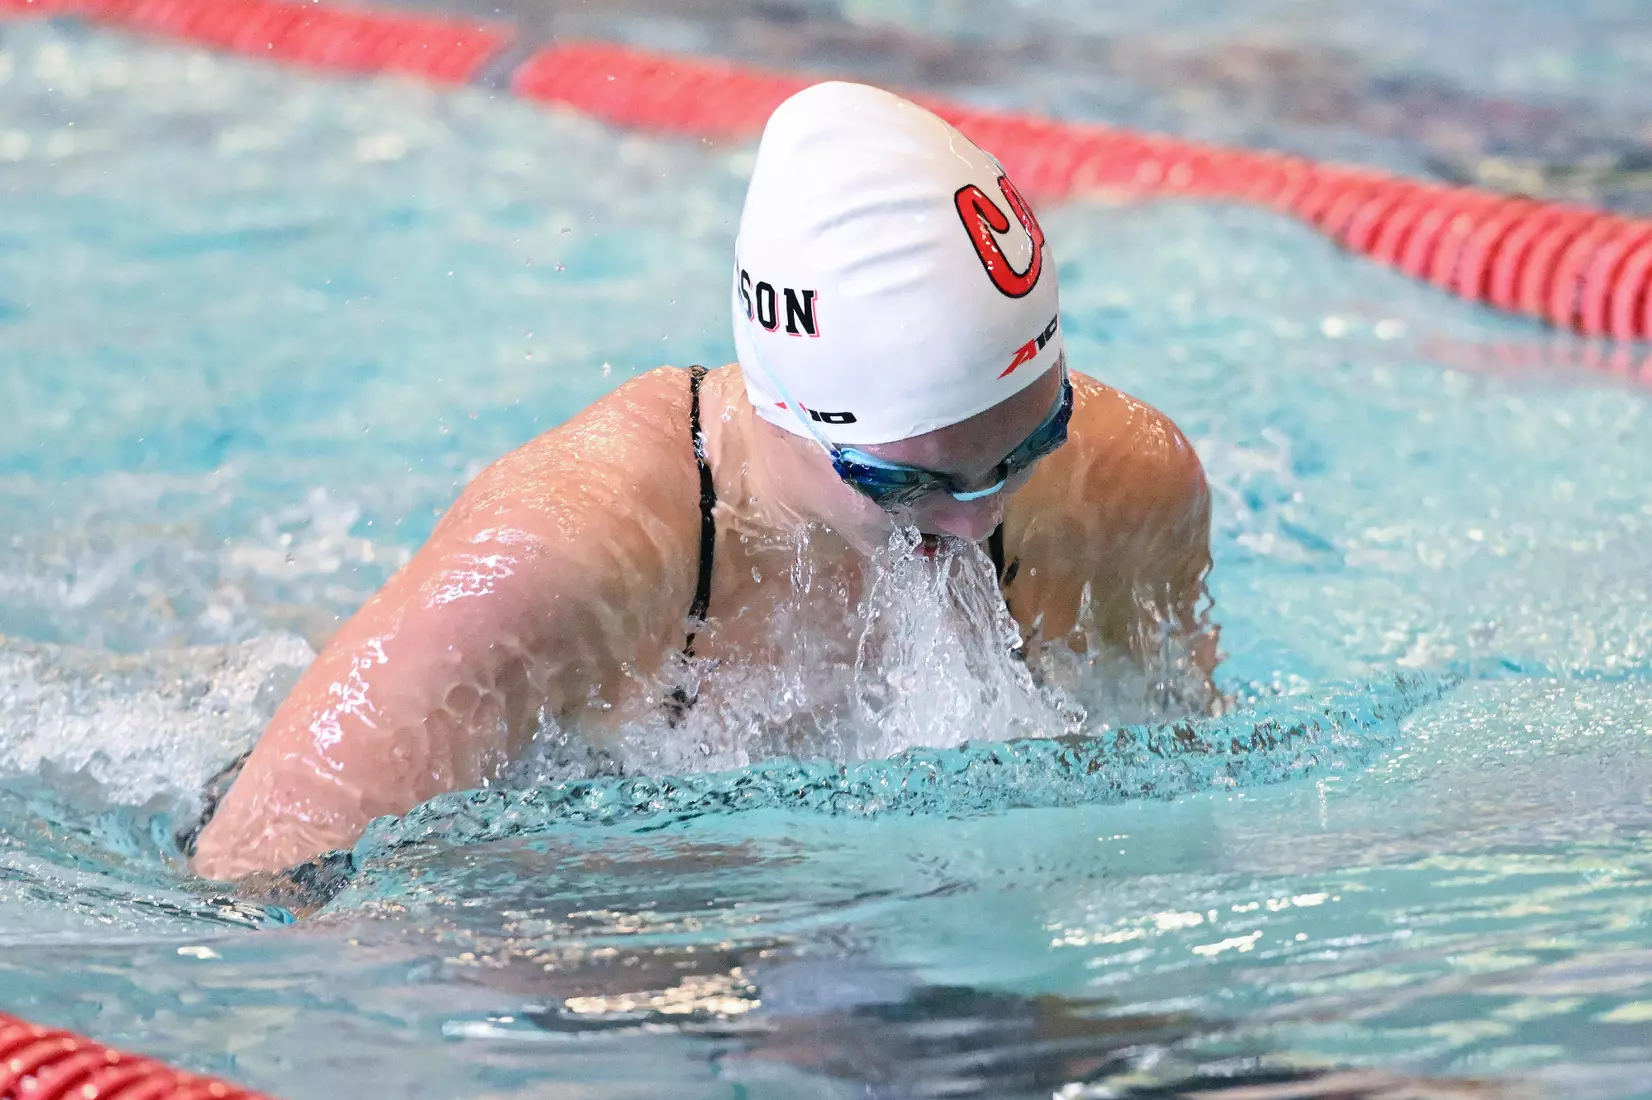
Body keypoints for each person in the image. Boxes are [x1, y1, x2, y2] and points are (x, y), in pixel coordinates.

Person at [191, 81, 1216, 881]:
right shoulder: (556, 562)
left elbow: (1169, 818)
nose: (981, 512)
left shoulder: (1123, 489)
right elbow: (256, 883)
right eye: (904, 483)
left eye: (1031, 444)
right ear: (784, 405)